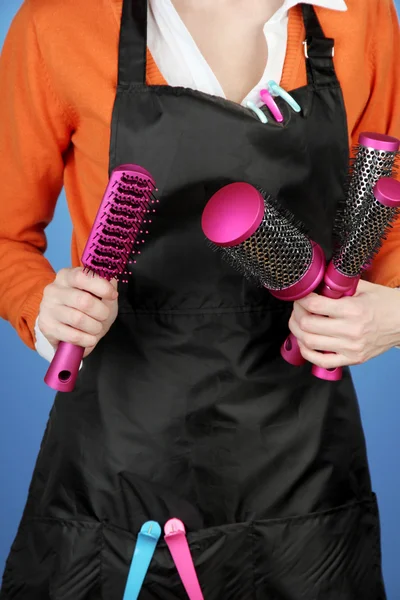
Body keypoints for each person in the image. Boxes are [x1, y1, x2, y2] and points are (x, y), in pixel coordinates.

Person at [0, 0, 399, 597]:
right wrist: (43, 304)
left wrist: (392, 314)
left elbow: (387, 228)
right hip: (118, 465)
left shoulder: (360, 16)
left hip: (302, 468)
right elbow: (6, 235)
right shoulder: (60, 20)